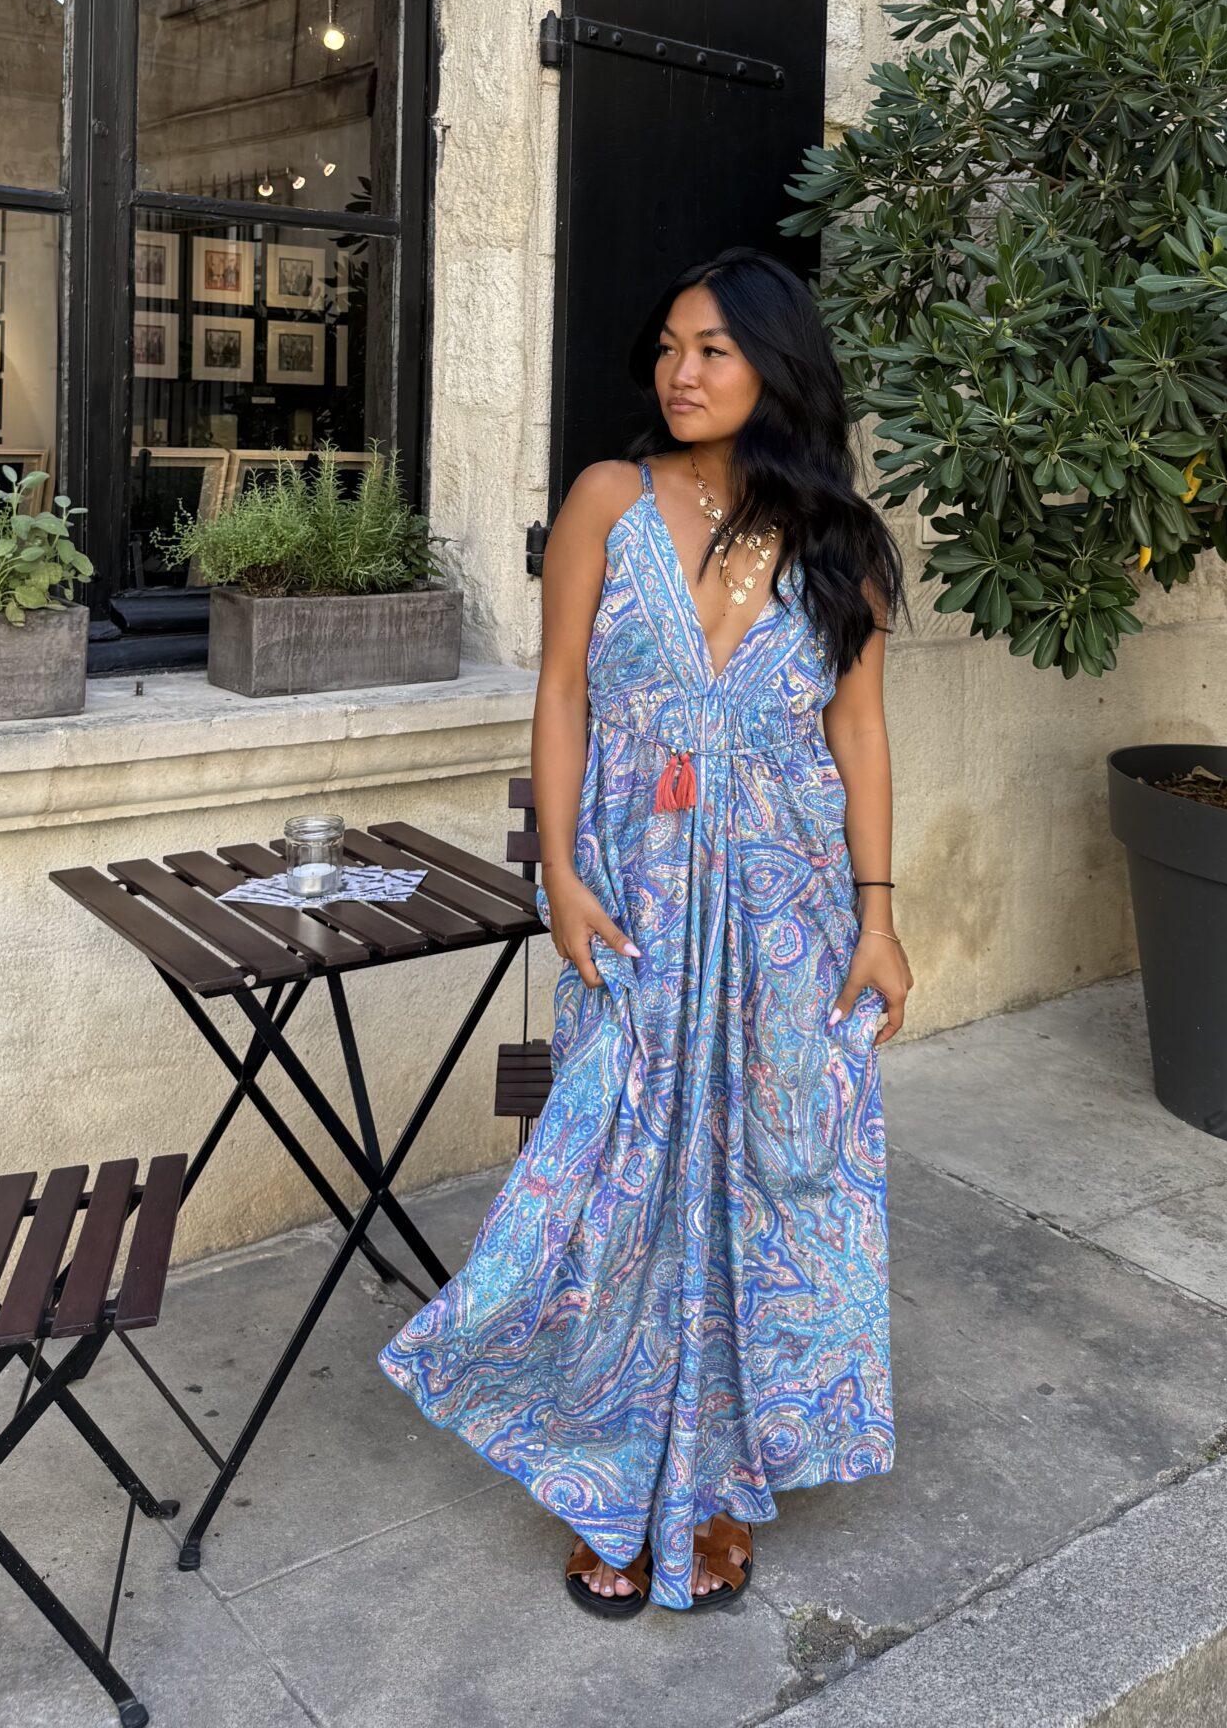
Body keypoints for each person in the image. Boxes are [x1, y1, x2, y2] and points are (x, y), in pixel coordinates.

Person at [378, 246, 910, 1614]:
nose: (681, 372)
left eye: (713, 349)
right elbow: (559, 691)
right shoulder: (608, 501)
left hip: (789, 916)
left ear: (775, 366)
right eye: (670, 346)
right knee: (617, 1186)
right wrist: (558, 872)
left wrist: (878, 918)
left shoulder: (841, 544)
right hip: (640, 908)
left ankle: (720, 1481)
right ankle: (607, 1472)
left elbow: (858, 734)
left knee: (767, 1187)